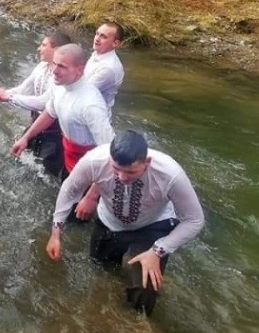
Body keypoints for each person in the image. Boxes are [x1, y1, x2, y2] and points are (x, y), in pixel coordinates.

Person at [46, 130, 205, 316]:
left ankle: (138, 325)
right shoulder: (94, 161)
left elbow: (194, 220)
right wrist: (56, 232)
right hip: (110, 221)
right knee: (100, 268)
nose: (121, 177)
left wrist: (158, 250)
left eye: (130, 171)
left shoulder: (170, 174)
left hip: (153, 226)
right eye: (115, 169)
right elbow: (69, 190)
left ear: (147, 163)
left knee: (145, 288)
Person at [11, 43, 114, 180]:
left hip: (89, 168)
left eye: (62, 67)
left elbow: (109, 149)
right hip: (69, 156)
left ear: (79, 70)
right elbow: (49, 112)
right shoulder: (60, 85)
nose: (54, 71)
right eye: (54, 64)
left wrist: (94, 190)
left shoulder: (91, 105)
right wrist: (26, 138)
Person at [0, 31, 71, 178]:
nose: (39, 48)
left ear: (56, 50)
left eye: (43, 45)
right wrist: (1, 94)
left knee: (47, 177)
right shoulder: (42, 66)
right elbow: (23, 90)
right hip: (35, 126)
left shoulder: (62, 76)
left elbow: (43, 103)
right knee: (16, 157)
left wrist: (7, 97)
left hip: (54, 135)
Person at [85, 22, 125, 118]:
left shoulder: (108, 68)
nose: (97, 39)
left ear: (115, 43)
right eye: (97, 34)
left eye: (103, 36)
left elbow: (82, 92)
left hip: (94, 122)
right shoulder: (99, 52)